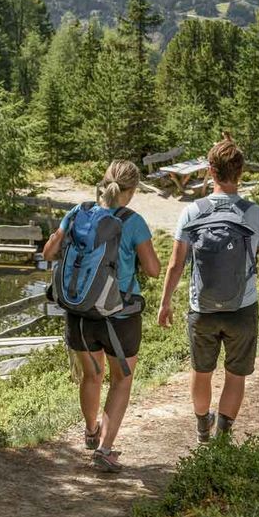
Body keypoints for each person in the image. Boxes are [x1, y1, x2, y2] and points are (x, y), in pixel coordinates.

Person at [157, 135, 259, 442]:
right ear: (241, 172)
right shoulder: (256, 214)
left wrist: (165, 303)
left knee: (202, 372)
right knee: (236, 375)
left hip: (202, 310)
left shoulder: (192, 212)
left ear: (209, 170)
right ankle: (223, 438)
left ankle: (202, 430)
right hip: (242, 308)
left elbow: (175, 265)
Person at [42, 160, 160, 472]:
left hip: (80, 314)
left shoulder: (77, 211)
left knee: (91, 376)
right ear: (131, 192)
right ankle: (105, 450)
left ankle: (91, 431)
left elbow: (49, 252)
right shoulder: (133, 222)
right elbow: (152, 269)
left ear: (102, 183)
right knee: (122, 380)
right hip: (120, 316)